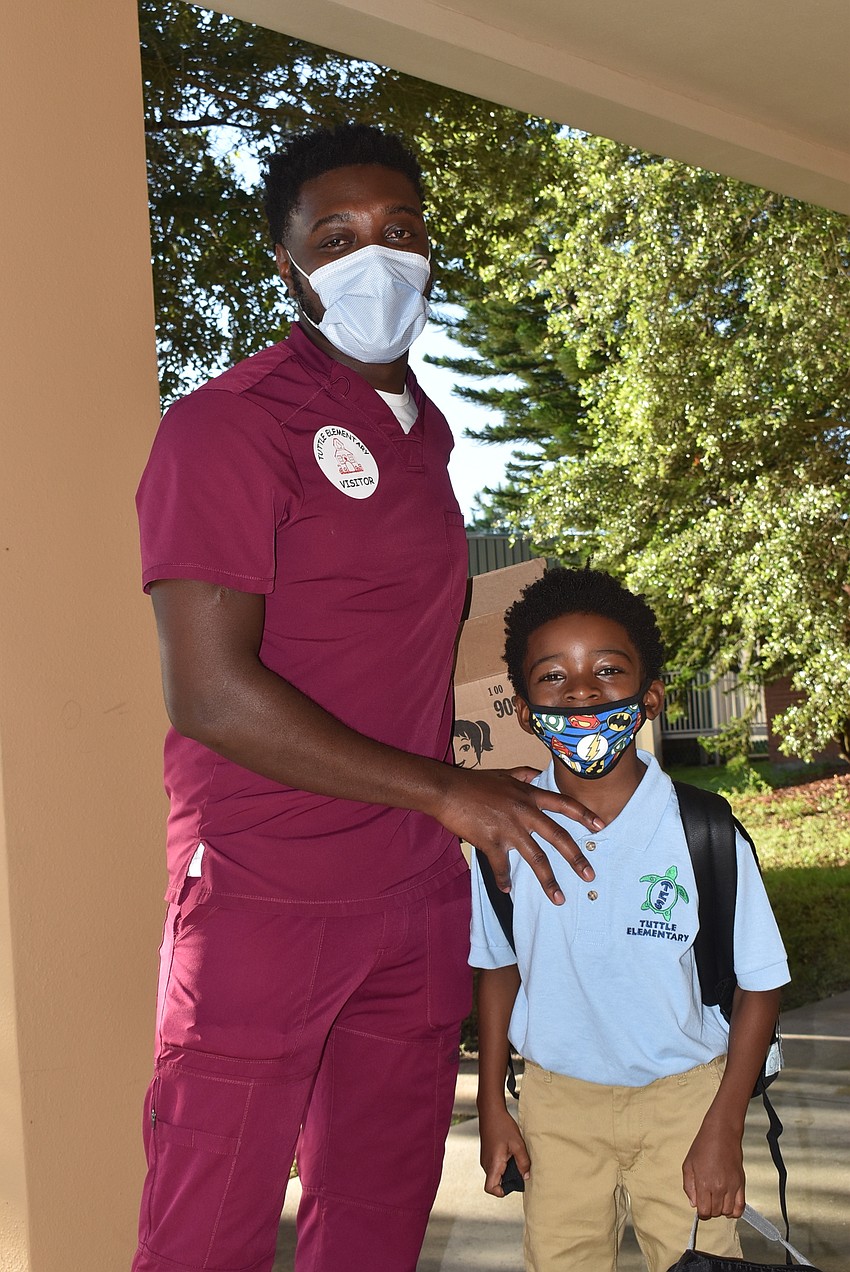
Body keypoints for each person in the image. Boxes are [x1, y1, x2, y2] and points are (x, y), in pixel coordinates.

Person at [132, 123, 606, 1272]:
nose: (376, 258)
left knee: (377, 1223)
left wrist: (483, 771)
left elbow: (388, 656)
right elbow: (209, 693)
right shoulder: (227, 426)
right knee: (207, 1232)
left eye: (399, 230)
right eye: (336, 238)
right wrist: (448, 792)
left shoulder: (425, 432)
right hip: (264, 892)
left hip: (415, 892)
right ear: (287, 265)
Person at [471, 567, 789, 1272]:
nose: (581, 691)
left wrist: (724, 1124)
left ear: (650, 697)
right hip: (556, 1104)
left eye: (608, 670)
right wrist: (493, 1102)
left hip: (686, 1100)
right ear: (523, 709)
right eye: (553, 676)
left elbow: (761, 985)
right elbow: (497, 967)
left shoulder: (703, 831)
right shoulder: (502, 832)